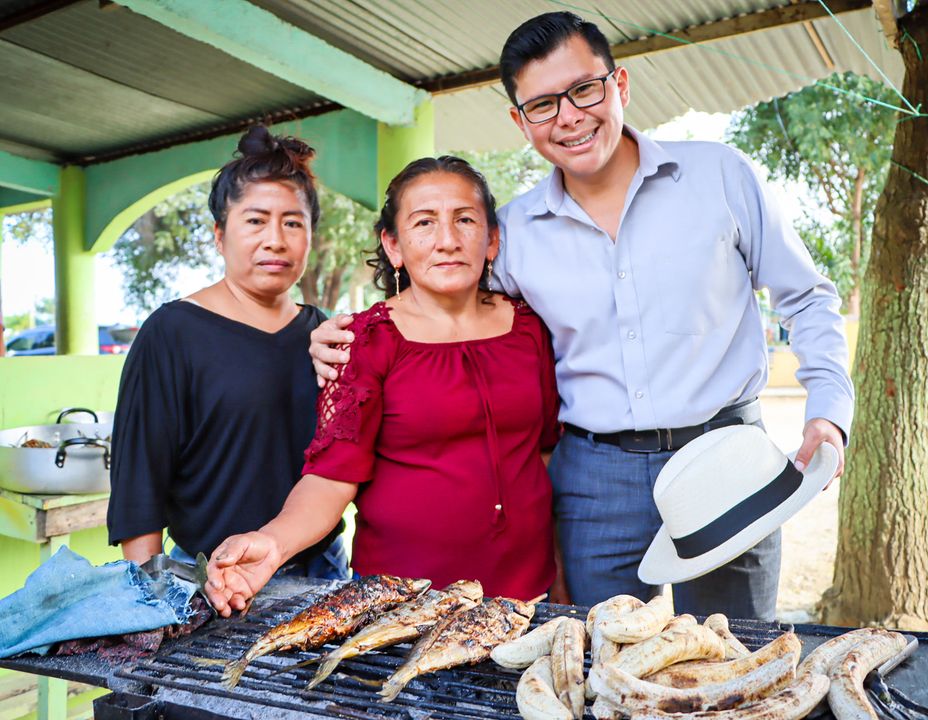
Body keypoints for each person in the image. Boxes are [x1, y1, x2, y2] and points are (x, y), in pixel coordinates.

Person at [309, 12, 853, 620]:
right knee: (599, 655)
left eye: (584, 90)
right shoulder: (511, 231)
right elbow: (447, 305)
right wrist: (349, 333)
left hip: (725, 454)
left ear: (619, 85)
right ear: (520, 122)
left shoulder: (720, 175)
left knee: (738, 650)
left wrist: (829, 411)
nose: (568, 117)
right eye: (542, 105)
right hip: (595, 478)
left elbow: (807, 297)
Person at [205, 156, 561, 616]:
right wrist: (273, 542)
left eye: (465, 220)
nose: (447, 240)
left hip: (526, 595)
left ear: (491, 239)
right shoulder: (363, 341)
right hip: (401, 604)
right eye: (424, 223)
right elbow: (331, 479)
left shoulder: (530, 329)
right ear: (393, 246)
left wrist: (560, 571)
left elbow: (545, 456)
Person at [106, 125, 347, 580]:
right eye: (255, 221)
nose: (275, 239)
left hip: (321, 570)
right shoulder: (172, 331)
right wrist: (149, 595)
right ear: (220, 235)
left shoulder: (325, 333)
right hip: (209, 575)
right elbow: (139, 481)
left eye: (293, 222)